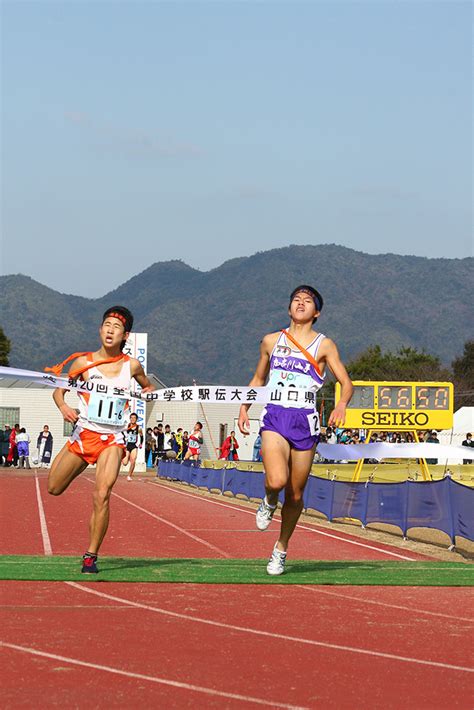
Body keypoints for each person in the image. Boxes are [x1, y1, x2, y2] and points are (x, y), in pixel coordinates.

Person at [238, 285, 353, 576]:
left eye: (308, 301)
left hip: (305, 421)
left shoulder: (324, 345)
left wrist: (341, 404)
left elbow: (346, 382)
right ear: (289, 308)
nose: (301, 303)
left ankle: (281, 548)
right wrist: (244, 408)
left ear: (317, 313)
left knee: (297, 495)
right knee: (276, 480)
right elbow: (257, 378)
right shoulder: (271, 341)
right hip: (275, 416)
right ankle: (268, 501)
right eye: (296, 300)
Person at [47, 306, 153, 574]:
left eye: (116, 327)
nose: (110, 330)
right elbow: (59, 393)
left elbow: (146, 385)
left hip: (112, 439)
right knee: (53, 487)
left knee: (102, 494)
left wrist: (146, 393)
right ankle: (80, 460)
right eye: (106, 325)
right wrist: (63, 407)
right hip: (84, 435)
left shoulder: (131, 365)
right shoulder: (83, 363)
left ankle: (90, 555)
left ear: (125, 335)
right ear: (100, 330)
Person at [122, 412, 144, 480]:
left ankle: (129, 475)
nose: (133, 419)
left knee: (133, 460)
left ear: (136, 419)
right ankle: (123, 457)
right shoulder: (127, 426)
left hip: (134, 446)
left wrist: (141, 443)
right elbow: (122, 433)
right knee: (125, 463)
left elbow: (141, 436)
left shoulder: (139, 428)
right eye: (131, 418)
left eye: (134, 418)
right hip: (127, 445)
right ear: (130, 419)